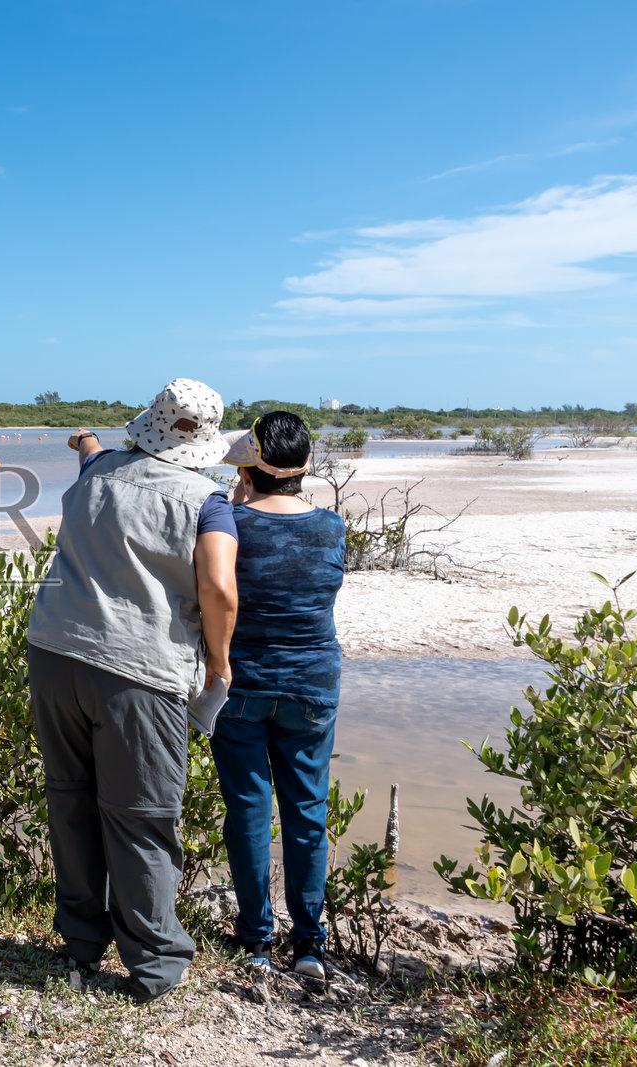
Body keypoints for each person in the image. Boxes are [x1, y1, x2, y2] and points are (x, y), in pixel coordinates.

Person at [26, 378, 239, 1002]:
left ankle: (81, 942)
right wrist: (219, 666)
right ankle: (154, 963)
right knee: (143, 817)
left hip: (55, 651)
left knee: (71, 798)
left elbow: (93, 451)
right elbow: (221, 590)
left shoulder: (98, 472)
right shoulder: (208, 501)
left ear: (147, 423)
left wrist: (85, 439)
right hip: (139, 671)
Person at [211, 410, 347, 982]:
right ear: (305, 467)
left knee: (247, 811)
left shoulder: (230, 523)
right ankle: (309, 944)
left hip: (240, 682)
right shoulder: (332, 526)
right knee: (307, 814)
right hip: (312, 682)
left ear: (249, 464)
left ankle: (257, 939)